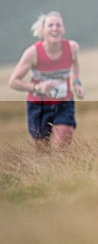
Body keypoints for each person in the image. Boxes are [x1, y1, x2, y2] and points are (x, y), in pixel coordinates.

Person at [8, 12, 85, 150]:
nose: (55, 28)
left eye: (58, 25)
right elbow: (13, 81)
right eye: (50, 25)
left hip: (64, 103)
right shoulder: (33, 53)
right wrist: (38, 88)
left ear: (63, 29)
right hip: (38, 106)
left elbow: (75, 63)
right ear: (43, 30)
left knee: (61, 148)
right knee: (42, 151)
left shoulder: (72, 48)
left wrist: (76, 83)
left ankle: (63, 170)